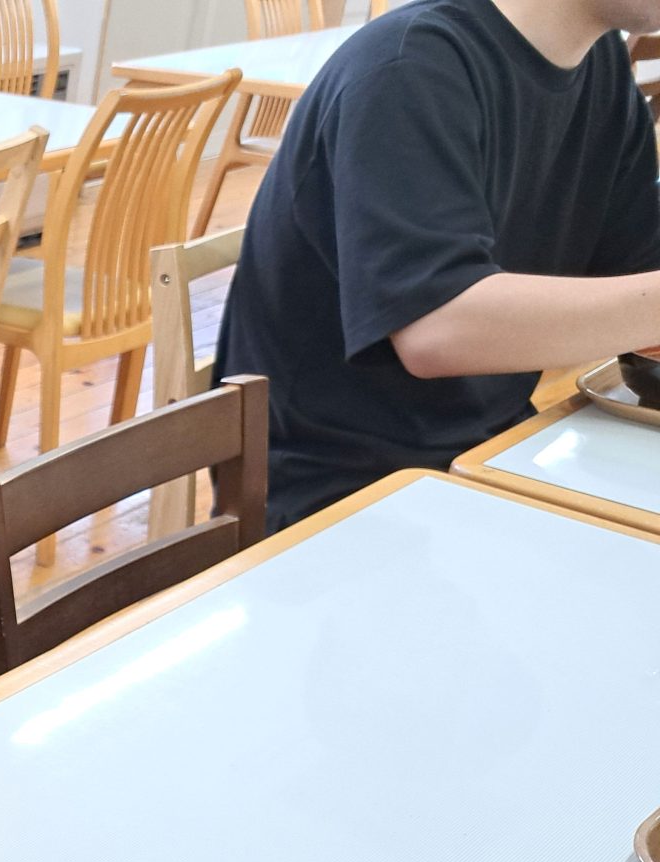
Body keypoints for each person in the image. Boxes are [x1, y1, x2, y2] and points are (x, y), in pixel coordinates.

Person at [217, 0, 660, 529]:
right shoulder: (409, 66)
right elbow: (437, 329)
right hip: (337, 494)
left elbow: (634, 267)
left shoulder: (599, 65)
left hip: (491, 453)